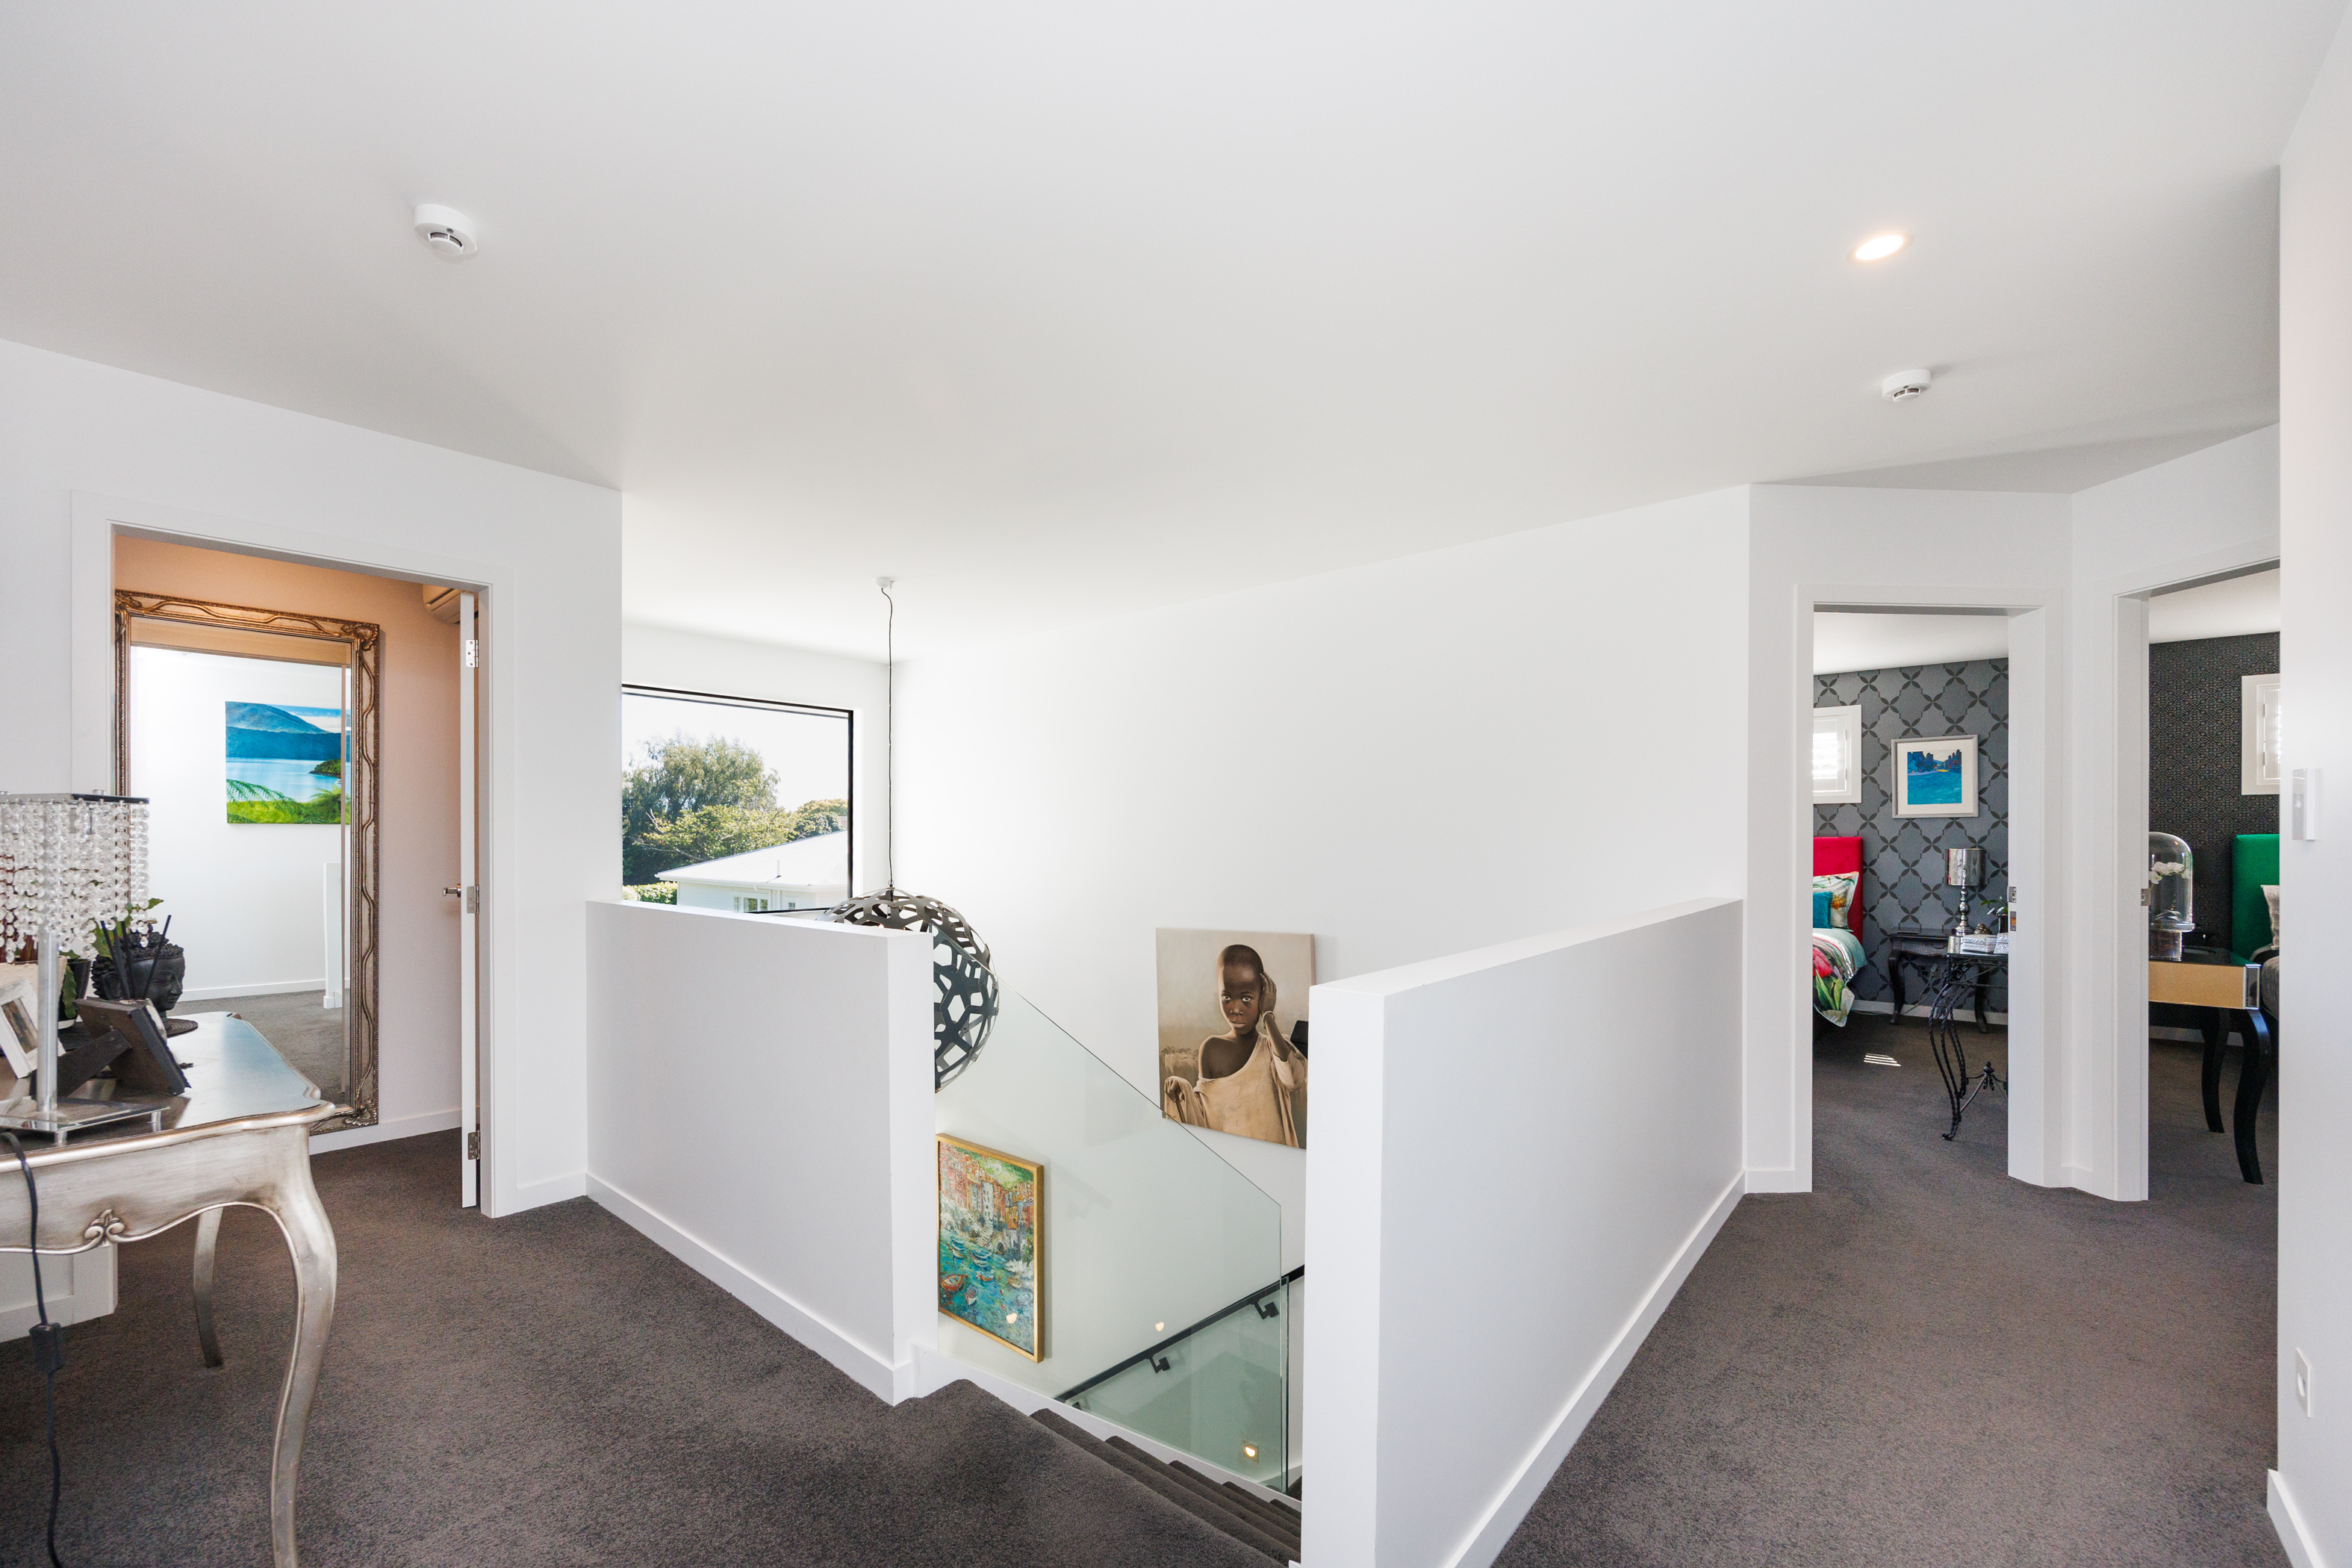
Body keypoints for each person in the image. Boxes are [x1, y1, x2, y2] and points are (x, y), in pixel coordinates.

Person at [1163, 944, 1306, 1147]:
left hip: (1274, 1156)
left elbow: (1293, 1079)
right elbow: (1206, 1119)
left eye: (1247, 998)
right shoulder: (1212, 1049)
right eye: (1227, 997)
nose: (1236, 1009)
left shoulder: (1274, 1047)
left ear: (1263, 995)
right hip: (1230, 1155)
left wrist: (1268, 1016)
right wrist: (1182, 1088)